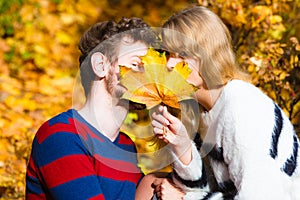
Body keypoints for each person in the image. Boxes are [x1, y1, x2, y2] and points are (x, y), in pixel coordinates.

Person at [145, 6, 300, 200]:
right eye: (168, 54)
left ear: (207, 54)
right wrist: (182, 146)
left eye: (181, 54)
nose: (169, 64)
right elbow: (203, 186)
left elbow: (261, 196)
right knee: (150, 184)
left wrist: (185, 199)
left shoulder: (241, 106)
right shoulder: (198, 111)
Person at [26, 17, 156, 199]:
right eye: (136, 64)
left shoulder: (125, 147)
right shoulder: (61, 136)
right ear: (100, 66)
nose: (147, 75)